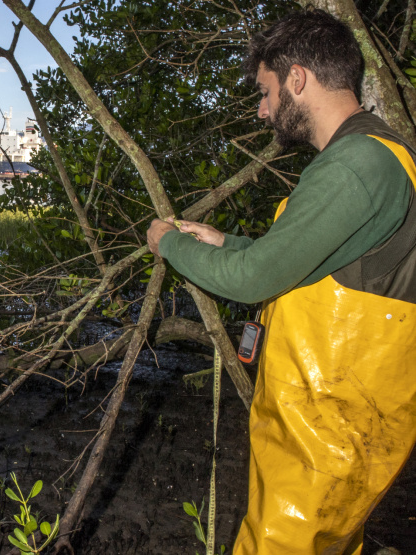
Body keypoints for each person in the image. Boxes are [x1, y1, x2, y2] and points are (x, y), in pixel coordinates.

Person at [147, 9, 416, 555]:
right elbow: (312, 265)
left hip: (328, 430)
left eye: (266, 92)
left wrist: (167, 243)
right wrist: (226, 243)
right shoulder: (375, 155)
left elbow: (254, 280)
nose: (263, 110)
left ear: (298, 78)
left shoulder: (356, 165)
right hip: (339, 426)